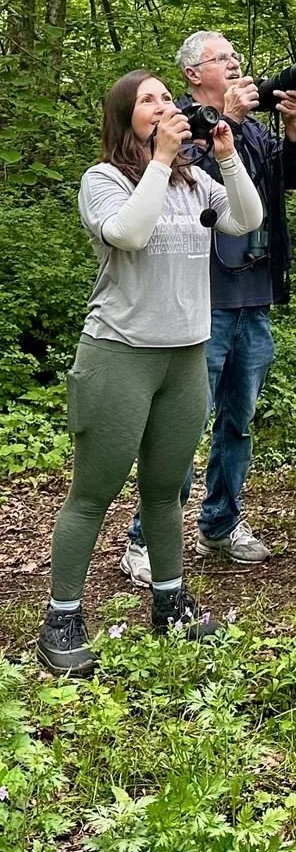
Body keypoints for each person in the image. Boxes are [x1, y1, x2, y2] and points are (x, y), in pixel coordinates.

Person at [38, 71, 263, 677]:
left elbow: (246, 219)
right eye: (149, 100)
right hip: (118, 355)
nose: (164, 107)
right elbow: (129, 234)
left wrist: (228, 156)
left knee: (166, 492)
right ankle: (62, 616)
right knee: (94, 493)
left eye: (168, 97)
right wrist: (161, 162)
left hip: (185, 356)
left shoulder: (195, 181)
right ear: (125, 117)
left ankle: (171, 603)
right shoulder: (103, 180)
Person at [121, 33, 296, 584]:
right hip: (204, 298)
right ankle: (145, 537)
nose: (235, 66)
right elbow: (175, 175)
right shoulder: (174, 122)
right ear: (192, 75)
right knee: (185, 424)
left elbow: (292, 180)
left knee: (239, 420)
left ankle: (221, 523)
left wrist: (293, 128)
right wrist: (217, 121)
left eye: (236, 58)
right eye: (222, 60)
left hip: (254, 294)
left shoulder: (253, 125)